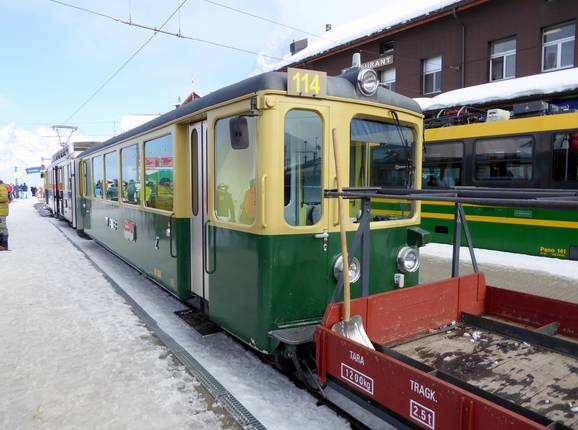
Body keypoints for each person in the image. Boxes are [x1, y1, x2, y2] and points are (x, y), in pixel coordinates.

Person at [0, 179, 10, 251]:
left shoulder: (2, 187)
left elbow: (4, 198)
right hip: (1, 210)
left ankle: (4, 245)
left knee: (2, 228)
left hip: (1, 211)